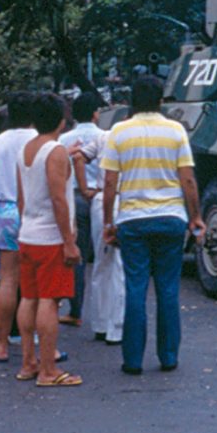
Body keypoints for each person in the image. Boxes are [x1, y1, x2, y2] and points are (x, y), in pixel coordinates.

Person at [100, 76, 206, 375]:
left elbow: (110, 183)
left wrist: (109, 221)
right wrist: (195, 216)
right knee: (168, 289)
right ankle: (168, 356)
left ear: (132, 100)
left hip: (132, 221)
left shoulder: (118, 132)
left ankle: (132, 360)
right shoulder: (176, 131)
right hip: (171, 219)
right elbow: (187, 179)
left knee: (135, 289)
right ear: (162, 101)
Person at [14, 93, 82, 387]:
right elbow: (59, 198)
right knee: (49, 301)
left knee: (28, 297)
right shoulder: (55, 151)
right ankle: (48, 370)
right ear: (61, 119)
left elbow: (21, 197)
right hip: (50, 237)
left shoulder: (26, 149)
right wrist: (68, 240)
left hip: (28, 232)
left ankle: (28, 362)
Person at [0, 93, 36, 360]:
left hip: (3, 211)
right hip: (34, 213)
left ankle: (0, 344)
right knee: (34, 280)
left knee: (8, 278)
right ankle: (30, 343)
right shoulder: (40, 141)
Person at [70, 107, 125, 346]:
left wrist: (85, 189)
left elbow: (78, 157)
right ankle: (117, 327)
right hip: (125, 200)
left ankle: (101, 323)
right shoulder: (133, 137)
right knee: (120, 267)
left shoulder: (104, 136)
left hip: (100, 199)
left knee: (101, 263)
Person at [57, 93, 104, 329]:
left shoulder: (64, 139)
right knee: (103, 258)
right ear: (96, 113)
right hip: (98, 197)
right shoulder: (104, 136)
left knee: (75, 255)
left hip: (72, 198)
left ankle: (74, 309)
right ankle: (105, 313)